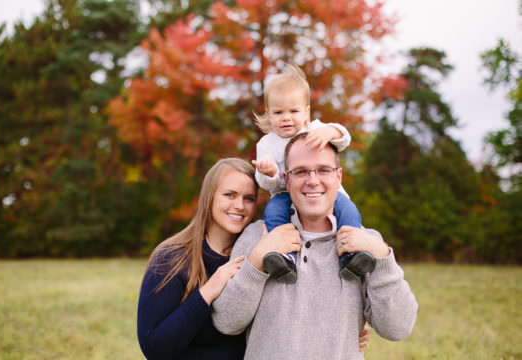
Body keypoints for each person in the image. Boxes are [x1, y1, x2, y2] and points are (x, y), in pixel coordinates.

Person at [136, 158, 372, 359]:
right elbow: (155, 348)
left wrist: (345, 329)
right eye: (230, 195)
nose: (239, 206)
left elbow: (288, 315)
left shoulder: (264, 251)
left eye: (249, 198)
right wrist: (208, 292)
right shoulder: (172, 258)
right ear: (209, 197)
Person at [212, 134, 418, 360]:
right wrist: (257, 261)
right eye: (300, 171)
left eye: (323, 170)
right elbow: (226, 322)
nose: (312, 180)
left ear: (338, 177)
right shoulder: (257, 237)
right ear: (286, 180)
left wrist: (382, 257)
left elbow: (397, 329)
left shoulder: (365, 243)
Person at [251, 64, 375, 283]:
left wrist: (331, 131)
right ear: (269, 115)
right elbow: (265, 183)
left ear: (306, 112)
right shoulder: (267, 143)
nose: (286, 118)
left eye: (294, 111)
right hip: (283, 192)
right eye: (279, 113)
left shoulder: (314, 129)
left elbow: (344, 139)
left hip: (324, 192)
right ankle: (283, 256)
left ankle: (352, 253)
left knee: (348, 209)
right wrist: (269, 173)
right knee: (273, 213)